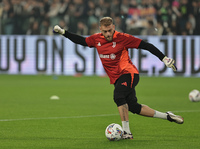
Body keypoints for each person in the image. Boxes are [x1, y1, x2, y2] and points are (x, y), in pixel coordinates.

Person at [53, 17, 184, 139]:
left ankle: (126, 132)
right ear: (101, 30)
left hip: (129, 73)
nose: (108, 34)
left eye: (110, 30)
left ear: (114, 27)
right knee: (133, 107)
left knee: (118, 96)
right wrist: (63, 32)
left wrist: (164, 58)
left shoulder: (122, 38)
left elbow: (146, 45)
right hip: (117, 79)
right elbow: (81, 41)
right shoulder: (96, 39)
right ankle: (168, 116)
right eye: (105, 31)